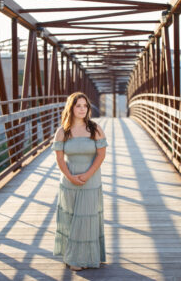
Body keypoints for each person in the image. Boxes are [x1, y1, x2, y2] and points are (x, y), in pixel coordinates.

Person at [51, 92, 108, 271]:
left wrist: (88, 174)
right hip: (69, 180)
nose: (82, 109)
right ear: (71, 108)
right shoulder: (62, 132)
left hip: (91, 180)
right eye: (78, 106)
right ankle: (73, 256)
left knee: (87, 218)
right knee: (72, 218)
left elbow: (101, 155)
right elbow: (59, 159)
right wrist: (70, 176)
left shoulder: (95, 129)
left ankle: (88, 257)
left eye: (85, 106)